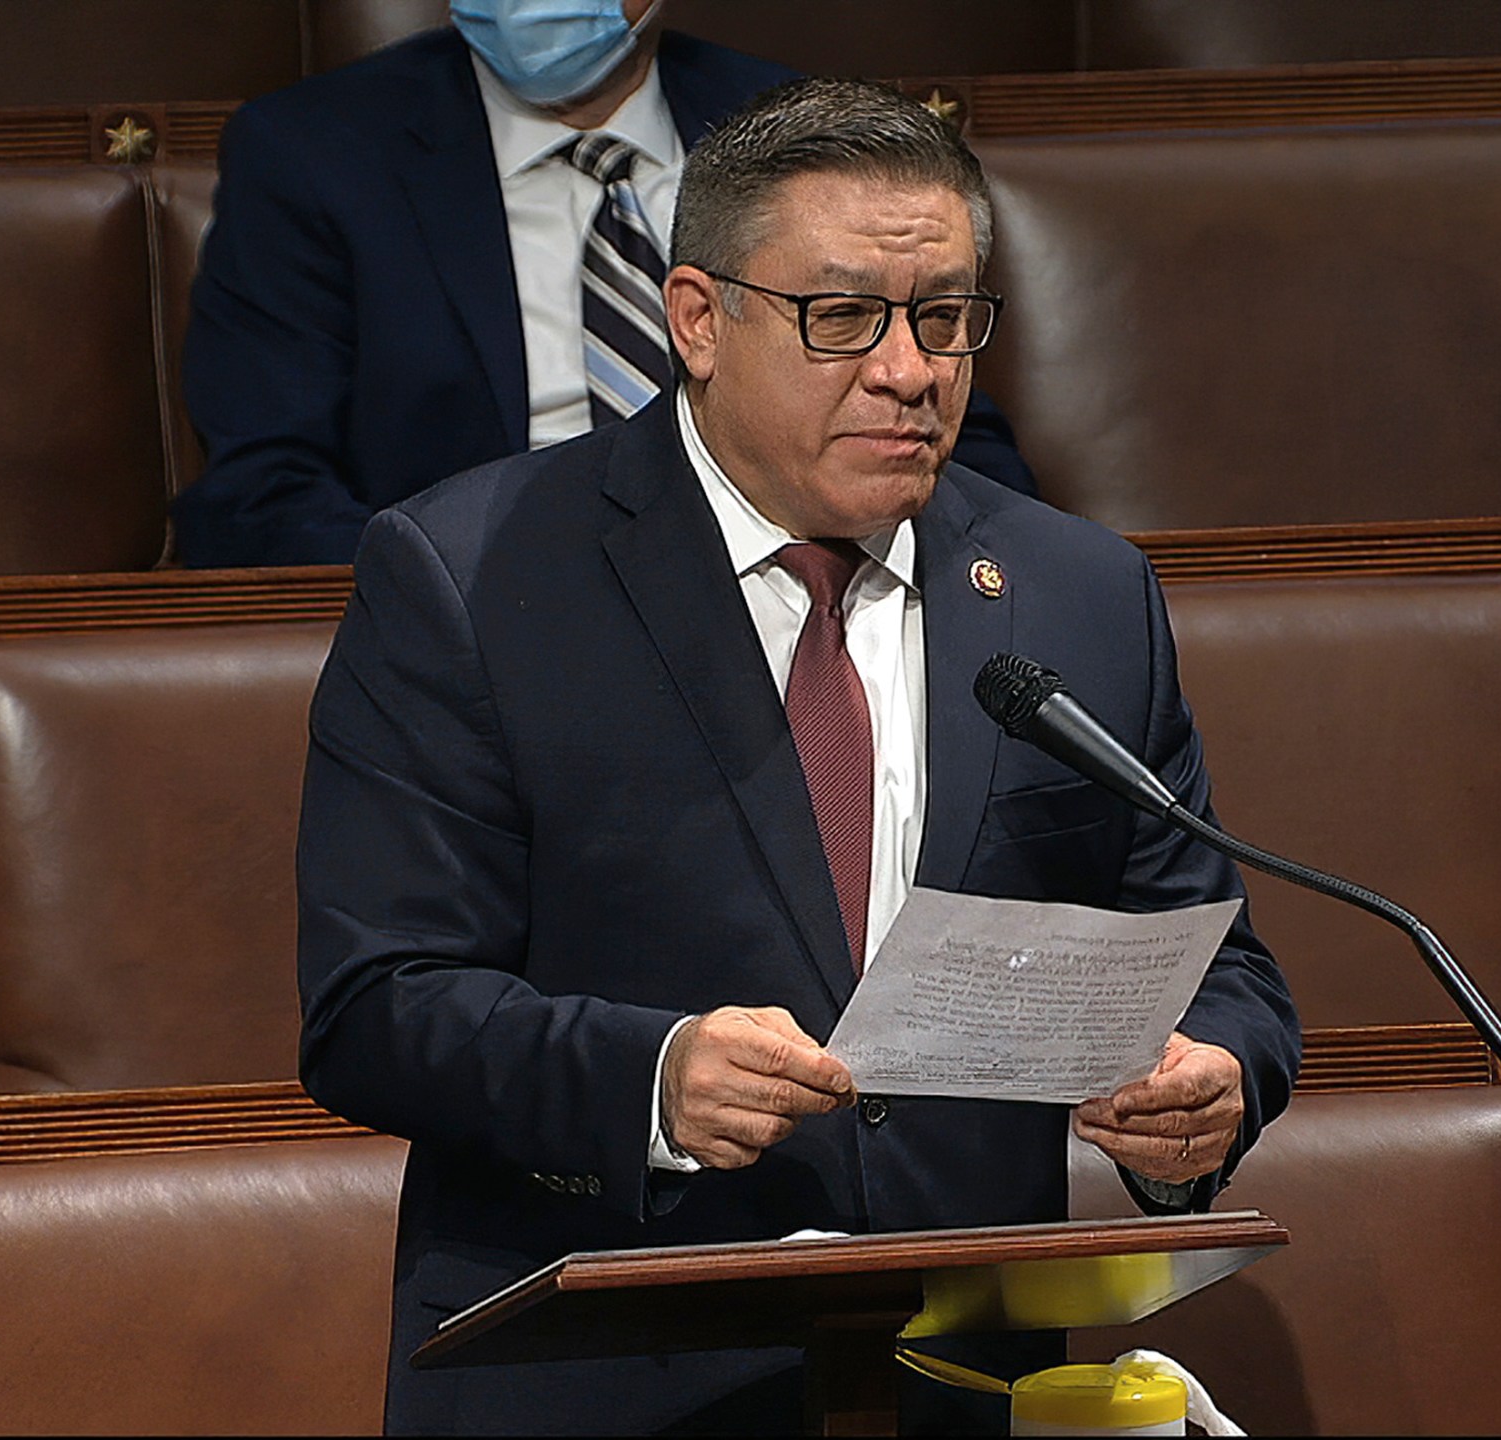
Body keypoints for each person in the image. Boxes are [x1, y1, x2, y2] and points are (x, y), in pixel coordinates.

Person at [295, 77, 1298, 1434]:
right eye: (842, 318)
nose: (908, 369)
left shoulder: (1078, 594)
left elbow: (1213, 957)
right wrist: (650, 1076)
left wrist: (1210, 1093)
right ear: (697, 321)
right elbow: (375, 1007)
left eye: (946, 317)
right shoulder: (472, 580)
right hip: (612, 1384)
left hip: (969, 1385)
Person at [176, 0, 1040, 569]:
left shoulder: (806, 134)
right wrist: (482, 596)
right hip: (491, 621)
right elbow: (262, 497)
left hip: (790, 600)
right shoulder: (312, 154)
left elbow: (954, 438)